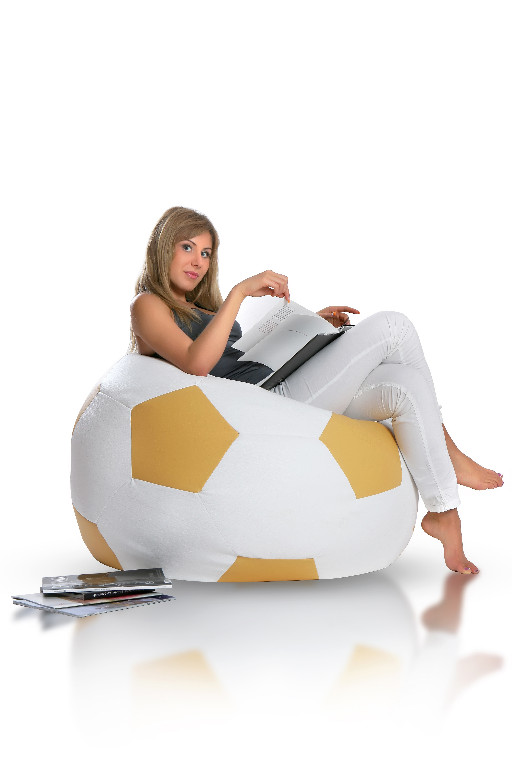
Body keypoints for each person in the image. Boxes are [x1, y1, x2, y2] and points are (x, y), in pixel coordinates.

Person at [130, 206, 503, 576]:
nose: (198, 261)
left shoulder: (199, 308)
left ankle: (443, 513)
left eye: (206, 252)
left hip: (276, 386)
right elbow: (197, 363)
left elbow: (241, 355)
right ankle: (450, 456)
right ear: (164, 247)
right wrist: (240, 292)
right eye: (187, 247)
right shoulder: (147, 305)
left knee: (405, 383)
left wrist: (309, 326)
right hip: (263, 408)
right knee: (394, 328)